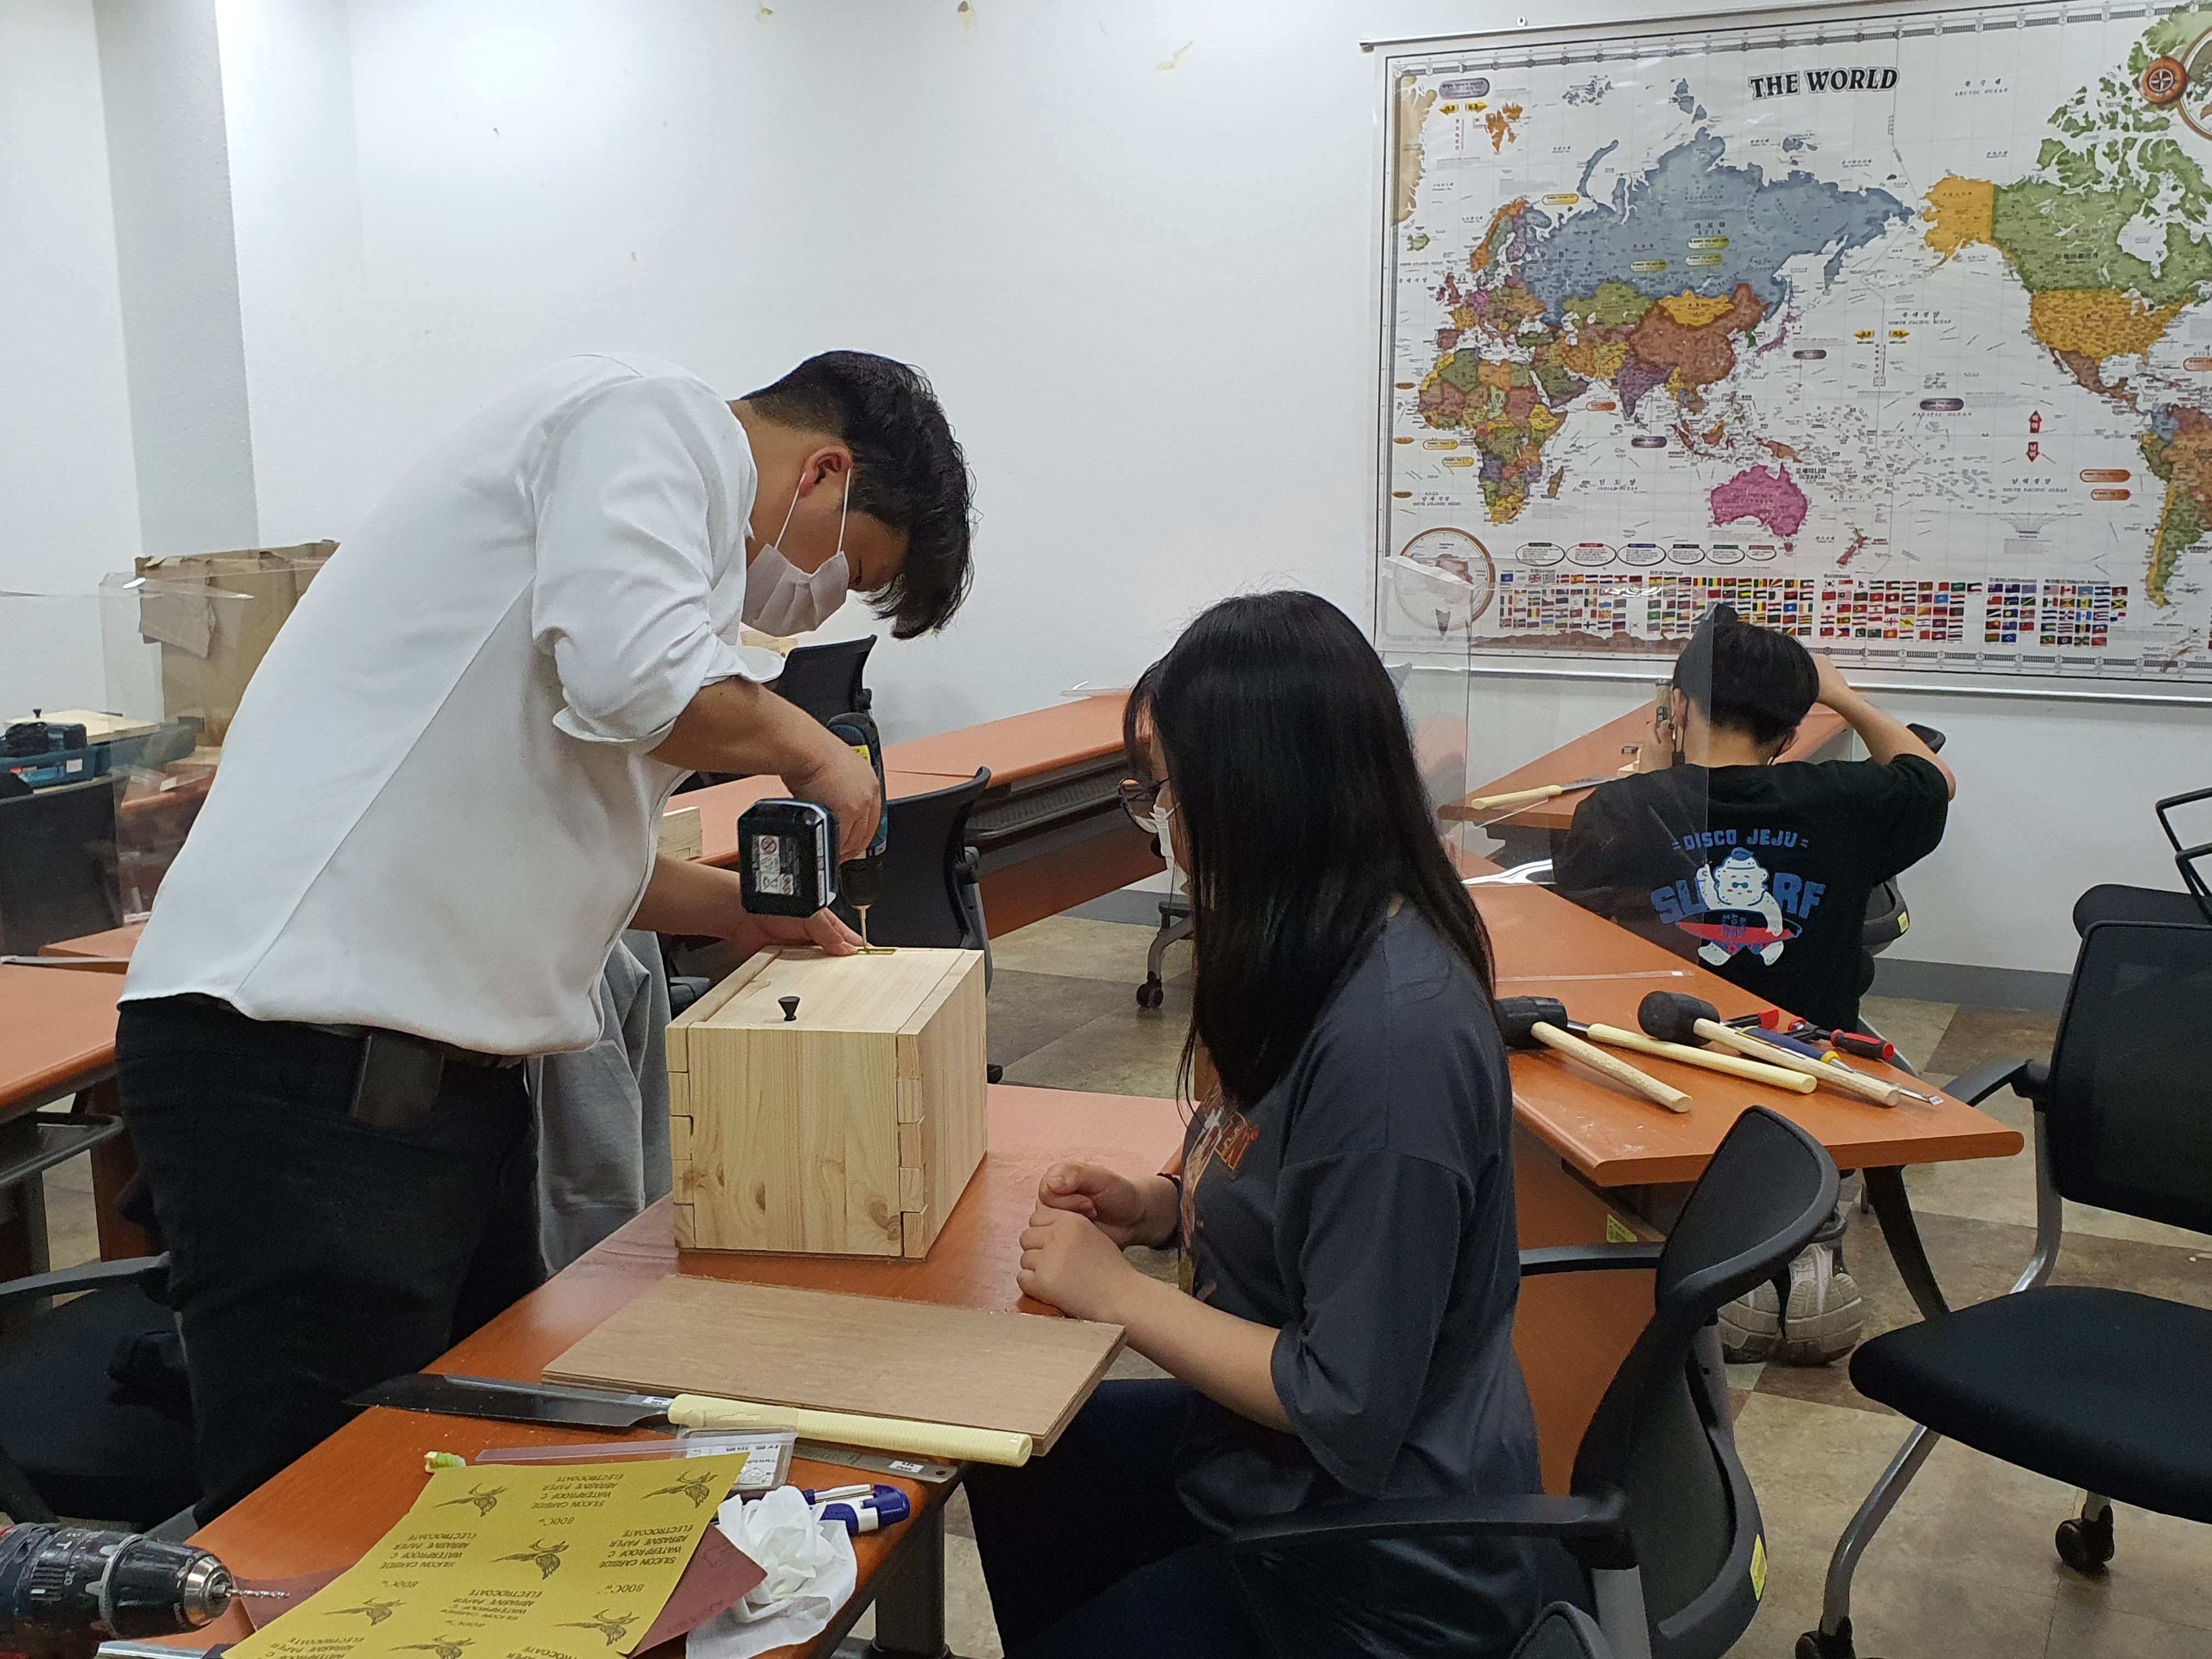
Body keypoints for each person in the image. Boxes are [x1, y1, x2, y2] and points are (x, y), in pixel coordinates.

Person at [115, 349, 973, 1518]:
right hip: (302, 1069)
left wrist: (737, 910)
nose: (816, 602)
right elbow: (635, 683)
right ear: (823, 472)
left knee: (465, 1484)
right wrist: (810, 742)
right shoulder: (652, 422)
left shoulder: (650, 575)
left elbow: (575, 840)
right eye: (848, 569)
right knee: (318, 1526)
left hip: (423, 1088)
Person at [968, 592, 1542, 1658]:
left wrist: (1118, 1295)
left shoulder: (1392, 1042)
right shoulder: (1317, 944)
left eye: (1168, 791)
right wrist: (1161, 1206)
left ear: (1255, 796)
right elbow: (1285, 1167)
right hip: (1273, 1478)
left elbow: (1349, 1403)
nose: (1162, 822)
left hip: (1376, 1567)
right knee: (1016, 1455)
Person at [1554, 604, 1955, 1035]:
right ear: (1789, 738)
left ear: (1680, 707)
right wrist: (1842, 696)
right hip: (1811, 1054)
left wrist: (1653, 784)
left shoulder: (1618, 808)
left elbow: (1583, 928)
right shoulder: (1845, 799)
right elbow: (1937, 778)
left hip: (1666, 1044)